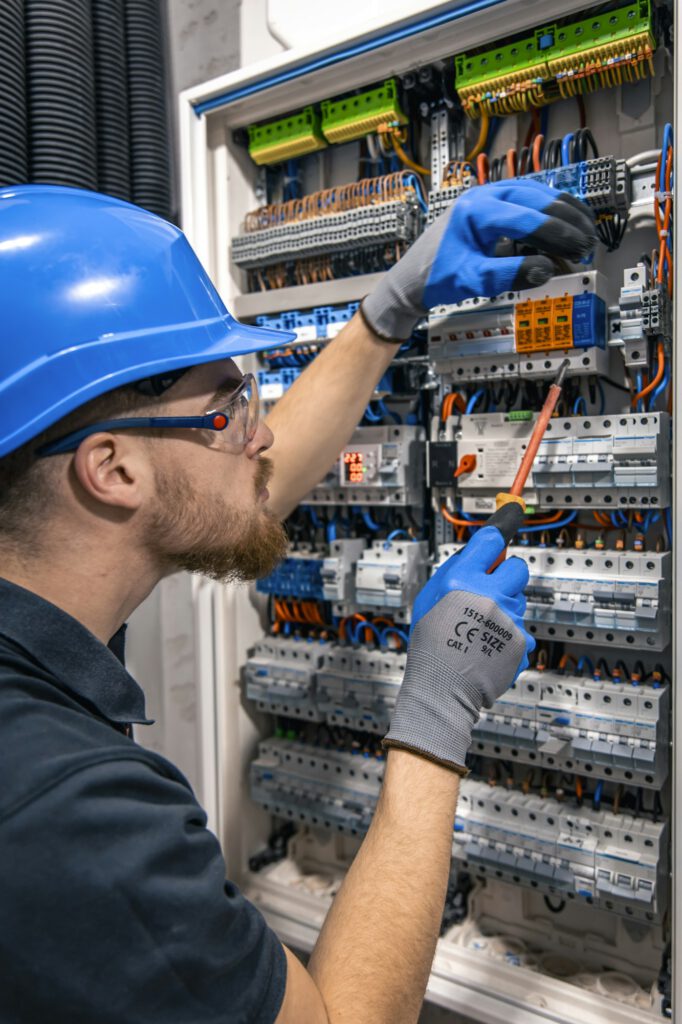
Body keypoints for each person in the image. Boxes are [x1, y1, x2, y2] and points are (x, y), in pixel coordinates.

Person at [0, 181, 595, 1023]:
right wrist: (435, 710)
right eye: (229, 406)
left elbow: (231, 493)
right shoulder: (68, 815)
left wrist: (389, 309)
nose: (263, 432)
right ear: (112, 470)